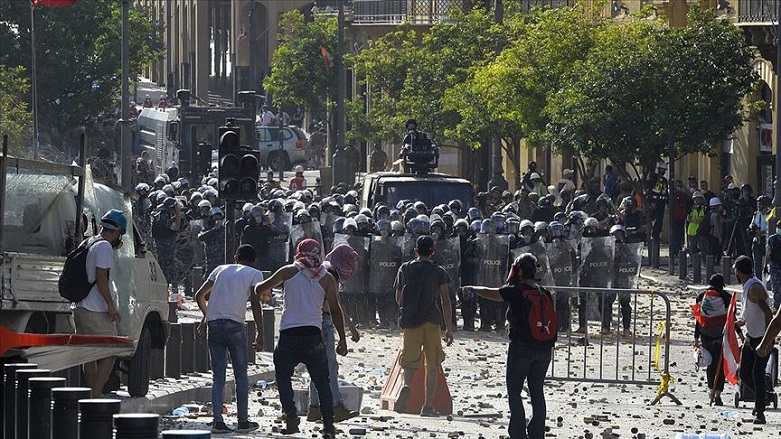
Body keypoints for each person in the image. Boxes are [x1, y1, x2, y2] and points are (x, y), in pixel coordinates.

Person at [253, 239, 347, 438]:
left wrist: (265, 290)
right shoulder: (327, 277)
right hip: (314, 335)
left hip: (289, 335)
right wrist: (343, 340)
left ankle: (292, 417)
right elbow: (336, 311)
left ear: (298, 252)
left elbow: (258, 289)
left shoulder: (288, 271)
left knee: (283, 377)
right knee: (322, 382)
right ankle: (329, 427)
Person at [462, 253, 556, 439]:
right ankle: (537, 433)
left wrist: (472, 289)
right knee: (537, 391)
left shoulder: (516, 291)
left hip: (521, 349)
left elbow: (492, 292)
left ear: (519, 270)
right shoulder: (544, 293)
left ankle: (518, 433)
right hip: (544, 350)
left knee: (514, 391)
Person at [194, 244, 264, 434]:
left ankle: (218, 421)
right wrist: (261, 332)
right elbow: (256, 305)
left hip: (214, 325)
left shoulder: (220, 269)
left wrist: (206, 317)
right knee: (241, 376)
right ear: (254, 260)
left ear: (236, 257)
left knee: (218, 377)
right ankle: (242, 421)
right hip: (235, 326)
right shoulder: (255, 274)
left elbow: (200, 295)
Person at [393, 235, 454, 417]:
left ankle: (406, 385)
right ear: (432, 251)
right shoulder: (439, 271)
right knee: (432, 364)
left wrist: (411, 308)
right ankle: (427, 407)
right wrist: (449, 328)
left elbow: (398, 298)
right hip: (432, 322)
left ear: (415, 251)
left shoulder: (405, 268)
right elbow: (446, 301)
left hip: (411, 322)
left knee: (409, 363)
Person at [73, 209, 127, 397]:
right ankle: (95, 394)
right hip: (95, 309)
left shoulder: (88, 241)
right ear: (118, 231)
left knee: (89, 353)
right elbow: (101, 277)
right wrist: (111, 305)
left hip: (81, 306)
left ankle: (93, 394)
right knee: (111, 350)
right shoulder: (104, 246)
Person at [307, 244, 361, 423]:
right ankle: (336, 406)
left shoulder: (323, 269)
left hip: (311, 321)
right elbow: (334, 308)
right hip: (322, 322)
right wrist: (344, 337)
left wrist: (351, 327)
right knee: (330, 367)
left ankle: (314, 408)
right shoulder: (330, 274)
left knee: (316, 367)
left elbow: (336, 303)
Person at [733, 255, 774, 424]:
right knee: (744, 373)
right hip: (751, 336)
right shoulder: (747, 286)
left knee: (757, 373)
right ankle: (762, 397)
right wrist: (741, 322)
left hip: (762, 338)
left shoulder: (754, 287)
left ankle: (760, 413)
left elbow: (768, 313)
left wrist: (768, 339)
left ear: (738, 270)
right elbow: (752, 312)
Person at [692, 274, 731, 406]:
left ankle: (711, 391)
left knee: (710, 364)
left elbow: (698, 319)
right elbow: (731, 320)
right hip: (721, 336)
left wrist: (696, 338)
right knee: (719, 365)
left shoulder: (701, 296)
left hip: (706, 336)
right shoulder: (727, 297)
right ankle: (718, 394)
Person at [765, 218, 781, 308]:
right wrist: (765, 265)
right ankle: (776, 306)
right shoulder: (772, 239)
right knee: (775, 287)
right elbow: (768, 253)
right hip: (774, 266)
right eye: (778, 227)